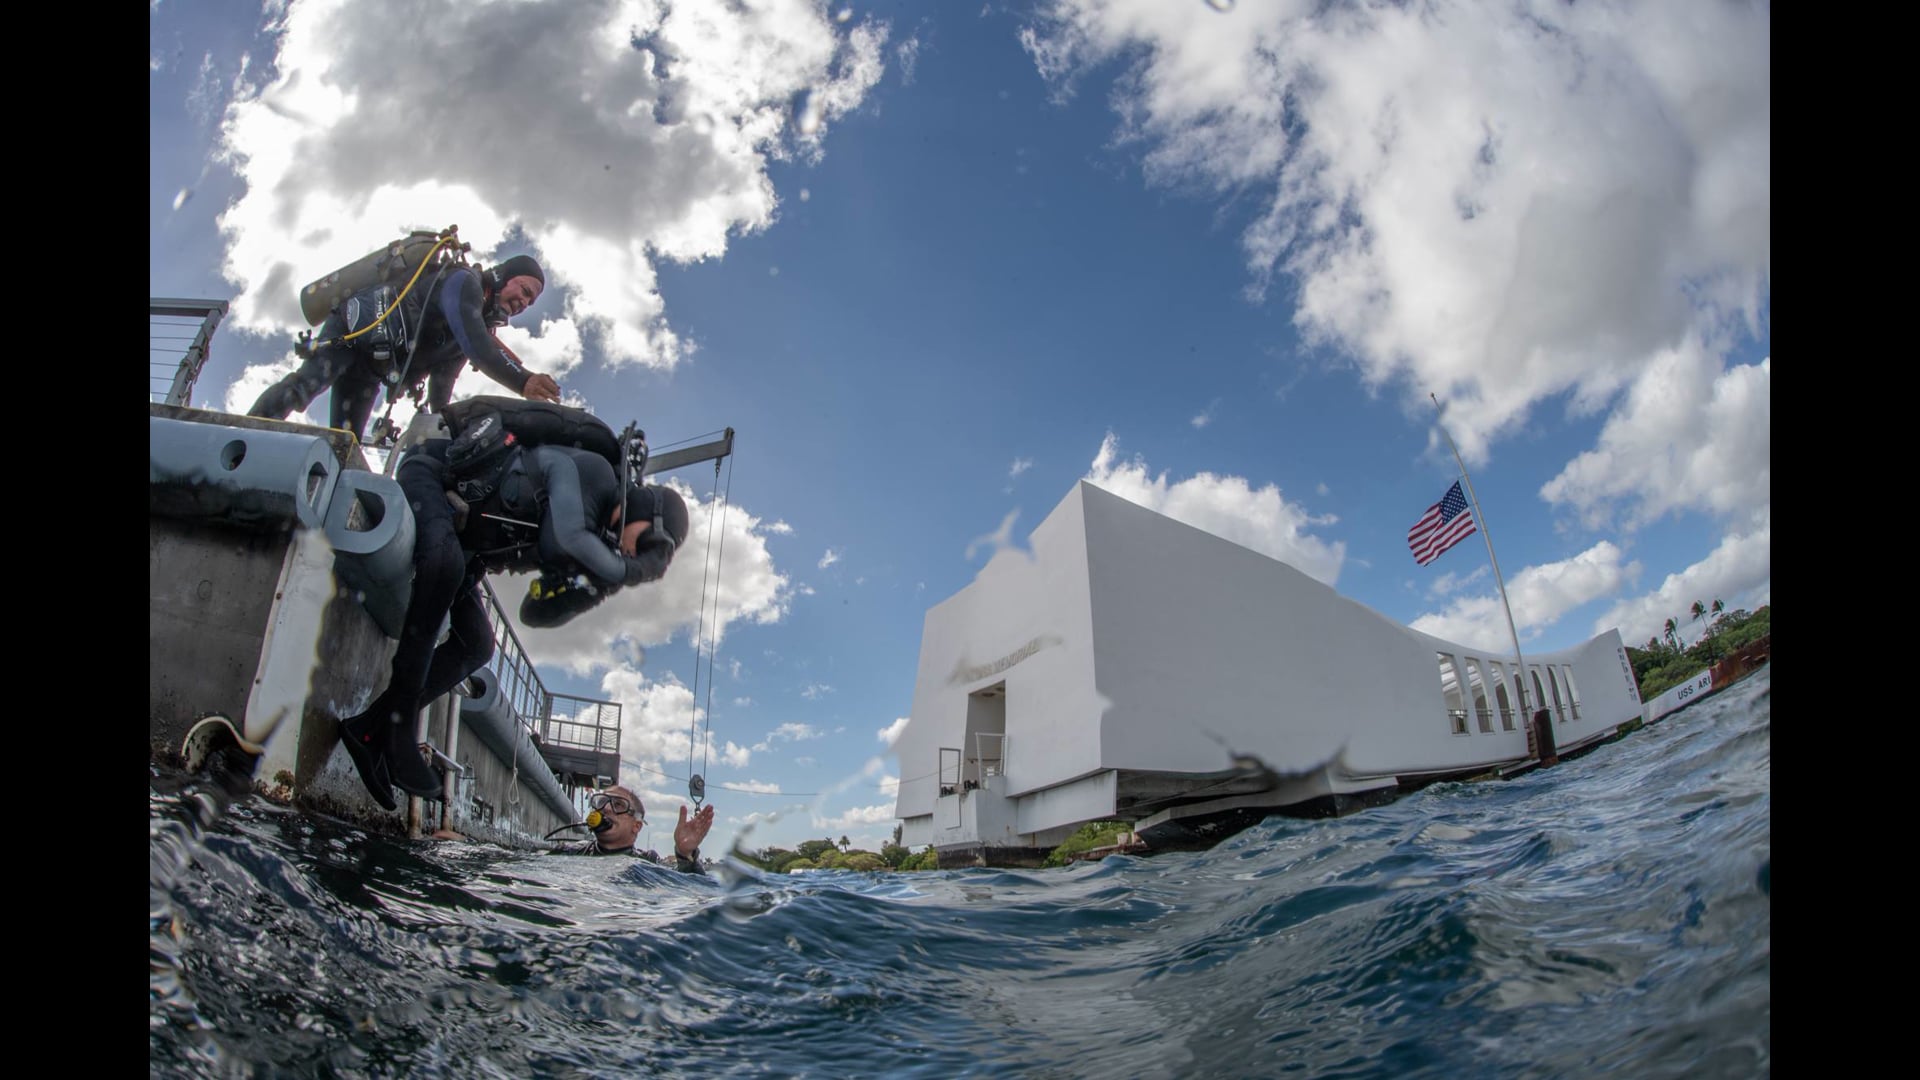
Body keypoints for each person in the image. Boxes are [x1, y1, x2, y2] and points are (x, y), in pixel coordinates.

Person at [335, 433, 691, 812]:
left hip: (466, 542)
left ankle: (367, 731)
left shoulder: (596, 539)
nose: (636, 554)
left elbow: (532, 612)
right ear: (644, 512)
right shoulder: (594, 474)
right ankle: (398, 727)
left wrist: (596, 590)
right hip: (431, 473)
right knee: (444, 566)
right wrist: (627, 571)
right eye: (647, 544)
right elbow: (563, 541)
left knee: (478, 644)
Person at [248, 253, 563, 441]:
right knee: (304, 386)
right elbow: (478, 346)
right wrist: (523, 380)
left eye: (530, 302)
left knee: (345, 439)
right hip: (352, 331)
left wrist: (447, 428)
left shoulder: (475, 328)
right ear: (504, 276)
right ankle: (244, 432)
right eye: (524, 290)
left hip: (373, 366)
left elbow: (442, 386)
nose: (524, 302)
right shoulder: (463, 283)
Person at [551, 784, 715, 872]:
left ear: (636, 826)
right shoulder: (567, 852)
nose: (605, 808)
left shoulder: (647, 862)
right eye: (601, 802)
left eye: (618, 805)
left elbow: (685, 889)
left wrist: (685, 855)